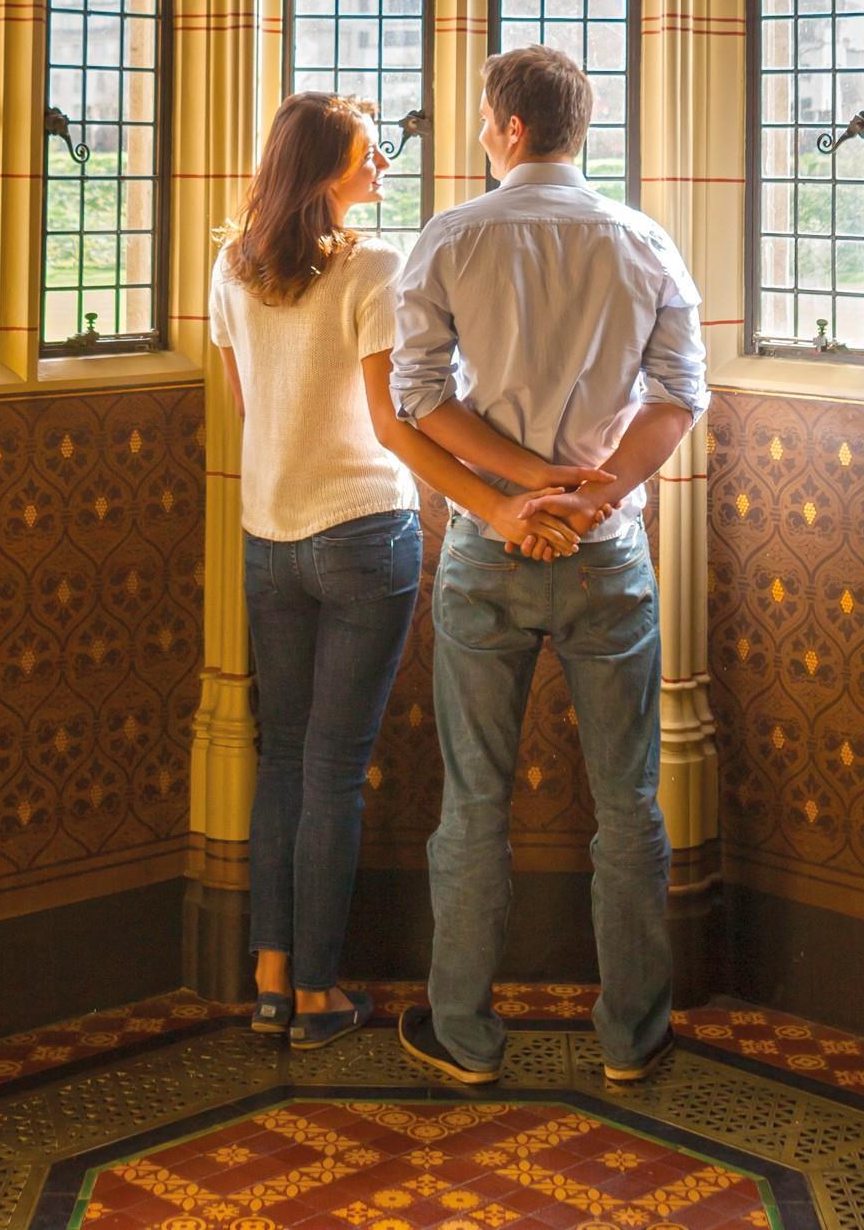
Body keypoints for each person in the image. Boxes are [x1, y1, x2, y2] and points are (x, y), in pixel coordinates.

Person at [208, 91, 615, 1051]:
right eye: (365, 156)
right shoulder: (375, 266)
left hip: (267, 536)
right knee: (335, 770)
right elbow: (394, 420)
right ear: (322, 173)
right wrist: (498, 497)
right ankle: (316, 994)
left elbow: (245, 406)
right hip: (362, 533)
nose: (381, 168)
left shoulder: (231, 263)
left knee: (284, 759)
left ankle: (269, 981)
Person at [389, 46, 709, 1085]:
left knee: (474, 800)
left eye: (485, 120)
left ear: (508, 126)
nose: (485, 133)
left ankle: (465, 1036)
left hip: (489, 550)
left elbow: (421, 401)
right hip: (605, 555)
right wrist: (592, 494)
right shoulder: (645, 241)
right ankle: (634, 1037)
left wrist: (524, 499)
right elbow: (678, 397)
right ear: (580, 125)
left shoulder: (451, 237)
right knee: (631, 801)